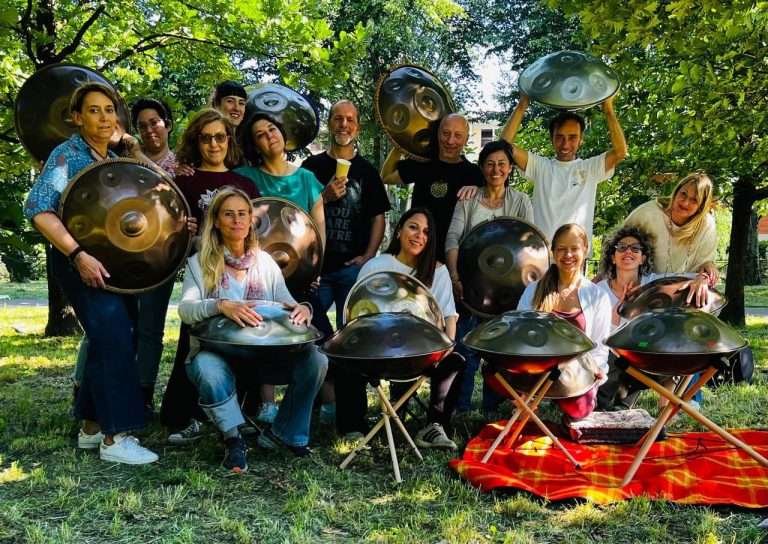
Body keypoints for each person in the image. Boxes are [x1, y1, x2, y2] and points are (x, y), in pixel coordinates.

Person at [23, 82, 158, 464]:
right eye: (94, 110)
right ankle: (116, 437)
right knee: (113, 335)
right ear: (77, 117)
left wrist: (133, 149)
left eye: (109, 110)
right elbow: (39, 208)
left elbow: (157, 188)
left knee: (109, 336)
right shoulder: (66, 156)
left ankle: (91, 427)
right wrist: (78, 254)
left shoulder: (112, 157)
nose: (104, 118)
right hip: (79, 261)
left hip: (114, 265)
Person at [179, 187, 328, 472]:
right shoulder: (200, 263)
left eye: (242, 214)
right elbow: (186, 310)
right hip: (218, 353)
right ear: (216, 221)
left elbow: (285, 303)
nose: (237, 220)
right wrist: (220, 305)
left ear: (250, 220)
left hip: (266, 356)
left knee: (316, 359)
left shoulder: (265, 262)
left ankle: (285, 433)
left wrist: (304, 309)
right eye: (228, 214)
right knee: (208, 369)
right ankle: (233, 439)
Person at [71, 97, 182, 417]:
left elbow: (175, 195)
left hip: (157, 258)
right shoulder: (116, 158)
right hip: (116, 255)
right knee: (108, 324)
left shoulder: (181, 164)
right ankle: (84, 390)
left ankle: (143, 393)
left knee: (150, 329)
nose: (150, 130)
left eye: (155, 122)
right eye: (142, 125)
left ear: (167, 125)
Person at [159, 108, 260, 444]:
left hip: (241, 275)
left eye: (220, 137)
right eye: (206, 138)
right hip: (202, 272)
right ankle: (183, 416)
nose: (214, 144)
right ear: (196, 141)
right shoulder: (184, 181)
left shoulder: (245, 183)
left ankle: (239, 414)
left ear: (229, 140)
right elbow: (167, 233)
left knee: (240, 339)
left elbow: (256, 231)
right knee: (193, 343)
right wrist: (183, 231)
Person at [337, 208, 463, 449]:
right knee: (345, 359)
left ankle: (434, 427)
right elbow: (355, 311)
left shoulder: (438, 271)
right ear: (398, 231)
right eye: (413, 227)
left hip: (420, 354)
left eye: (426, 232)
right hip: (376, 351)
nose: (419, 235)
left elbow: (449, 316)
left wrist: (447, 348)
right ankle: (353, 428)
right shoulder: (377, 265)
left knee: (455, 361)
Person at [301, 99, 391, 427]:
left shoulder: (367, 171)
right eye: (338, 118)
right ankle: (321, 400)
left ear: (358, 126)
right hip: (316, 271)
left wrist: (368, 256)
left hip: (352, 269)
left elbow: (378, 217)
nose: (343, 125)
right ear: (329, 123)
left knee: (353, 339)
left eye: (350, 119)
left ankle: (351, 419)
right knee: (310, 332)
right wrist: (323, 198)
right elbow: (296, 213)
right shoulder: (310, 167)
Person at [235, 111, 326, 424]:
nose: (269, 136)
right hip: (256, 274)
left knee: (317, 335)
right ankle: (267, 404)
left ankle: (325, 406)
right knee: (265, 333)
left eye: (272, 129)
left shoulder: (307, 179)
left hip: (301, 274)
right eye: (260, 134)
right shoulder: (245, 177)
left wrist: (316, 269)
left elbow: (319, 231)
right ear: (255, 145)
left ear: (283, 135)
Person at [444, 140, 533, 414]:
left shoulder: (521, 200)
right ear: (482, 168)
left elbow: (530, 243)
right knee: (465, 349)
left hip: (508, 291)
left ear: (510, 168)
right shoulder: (468, 199)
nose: (496, 170)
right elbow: (452, 238)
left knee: (499, 350)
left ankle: (492, 409)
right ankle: (460, 408)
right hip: (470, 288)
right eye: (490, 164)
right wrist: (455, 277)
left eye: (502, 164)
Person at [595, 225, 710, 410]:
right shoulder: (598, 290)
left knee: (677, 349)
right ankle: (621, 402)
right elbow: (602, 337)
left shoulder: (654, 282)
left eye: (635, 248)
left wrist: (703, 278)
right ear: (613, 257)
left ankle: (667, 408)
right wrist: (621, 308)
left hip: (647, 355)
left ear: (643, 258)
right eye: (621, 247)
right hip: (612, 358)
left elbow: (694, 278)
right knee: (605, 407)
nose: (628, 252)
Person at [501, 93, 627, 246]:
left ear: (581, 139)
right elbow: (503, 147)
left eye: (572, 137)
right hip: (542, 252)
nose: (565, 144)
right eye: (559, 137)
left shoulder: (590, 168)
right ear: (552, 139)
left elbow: (620, 152)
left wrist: (608, 109)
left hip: (576, 254)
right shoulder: (540, 166)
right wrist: (522, 104)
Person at [516, 223, 612, 420]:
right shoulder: (534, 290)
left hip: (577, 373)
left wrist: (595, 375)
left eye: (574, 248)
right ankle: (527, 401)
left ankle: (564, 399)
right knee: (493, 373)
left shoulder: (598, 296)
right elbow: (519, 334)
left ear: (585, 250)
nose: (568, 254)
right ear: (553, 252)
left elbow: (600, 347)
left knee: (579, 410)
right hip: (537, 369)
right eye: (561, 249)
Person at [381, 113, 484, 260]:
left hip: (453, 257)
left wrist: (479, 189)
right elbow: (386, 177)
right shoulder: (422, 163)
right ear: (437, 134)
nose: (450, 141)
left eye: (458, 135)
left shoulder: (474, 174)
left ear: (466, 139)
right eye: (445, 133)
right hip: (417, 251)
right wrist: (400, 144)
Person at [622, 171, 719, 282]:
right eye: (683, 194)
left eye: (694, 200)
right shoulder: (647, 213)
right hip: (645, 283)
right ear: (676, 191)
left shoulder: (706, 224)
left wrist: (708, 266)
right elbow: (617, 244)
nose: (685, 202)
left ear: (701, 206)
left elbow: (704, 263)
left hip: (686, 284)